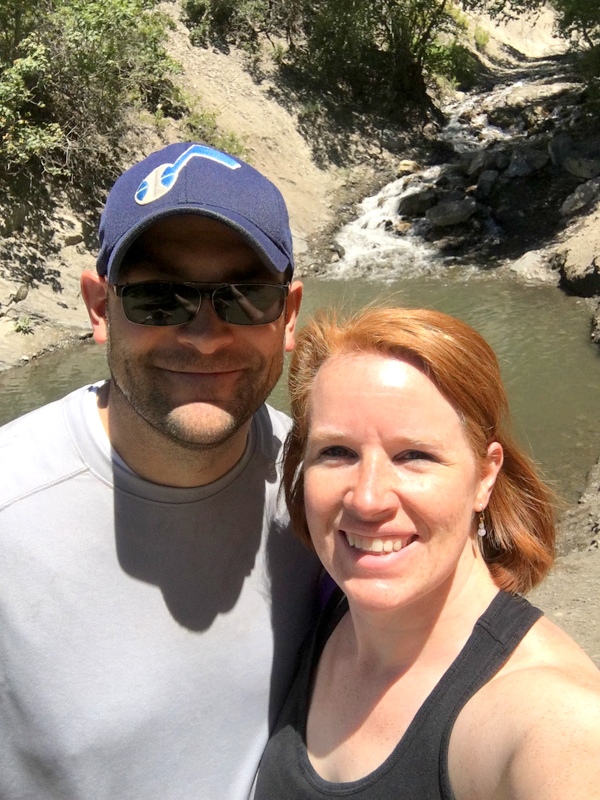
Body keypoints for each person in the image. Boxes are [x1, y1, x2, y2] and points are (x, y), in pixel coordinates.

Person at [0, 142, 322, 799]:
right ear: (99, 308)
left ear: (287, 317)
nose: (204, 335)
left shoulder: (325, 491)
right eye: (157, 298)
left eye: (245, 296)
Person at [255, 307, 600, 799]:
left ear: (485, 476)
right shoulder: (328, 606)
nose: (367, 499)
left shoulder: (551, 718)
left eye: (414, 455)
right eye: (337, 452)